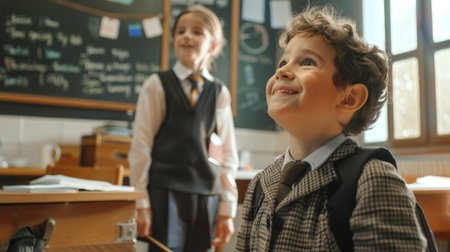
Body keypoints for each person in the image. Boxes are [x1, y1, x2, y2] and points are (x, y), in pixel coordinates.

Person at [236, 5, 427, 251]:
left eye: (307, 62)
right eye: (283, 61)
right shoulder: (260, 183)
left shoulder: (372, 179)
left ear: (349, 99)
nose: (282, 70)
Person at [128, 5, 239, 252]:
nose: (186, 36)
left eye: (197, 32)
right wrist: (141, 202)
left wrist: (226, 209)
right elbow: (141, 147)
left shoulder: (219, 93)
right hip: (164, 190)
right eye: (181, 31)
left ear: (213, 46)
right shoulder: (156, 85)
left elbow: (227, 153)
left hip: (205, 195)